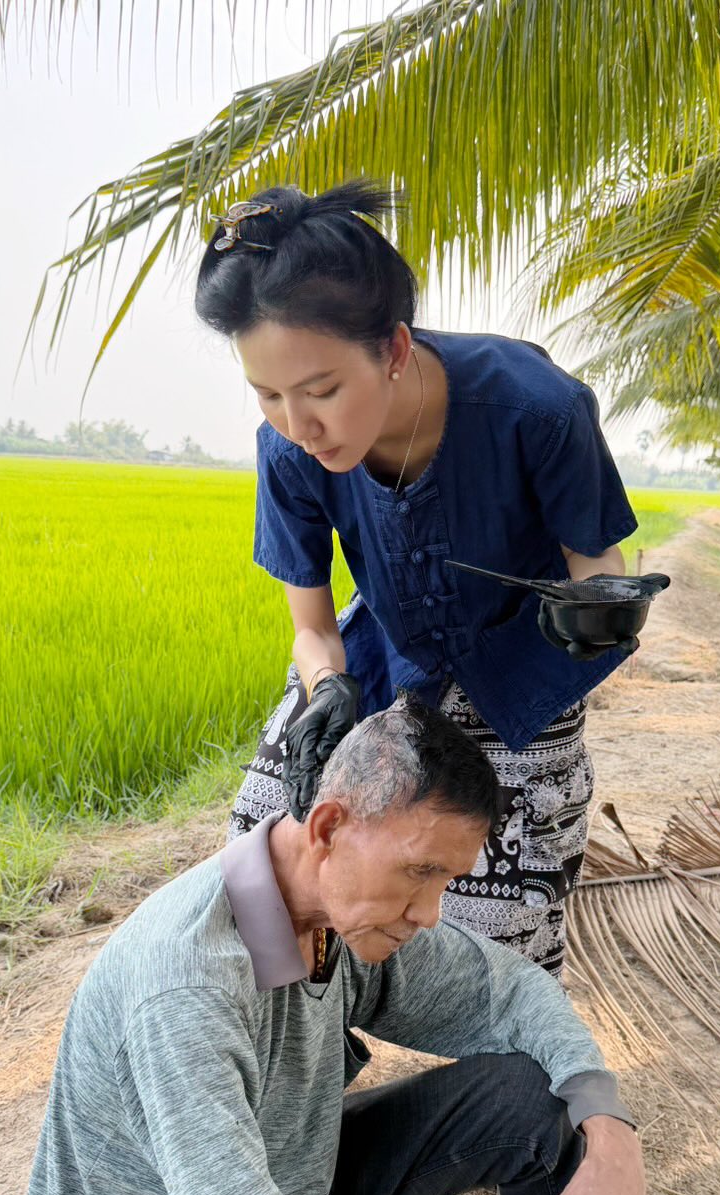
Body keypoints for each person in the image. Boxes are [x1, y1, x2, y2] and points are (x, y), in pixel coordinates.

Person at [23, 699, 694, 1195]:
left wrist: (611, 1131)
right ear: (330, 826)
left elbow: (503, 992)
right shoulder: (187, 992)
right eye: (420, 871)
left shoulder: (333, 912)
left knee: (536, 1099)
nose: (431, 910)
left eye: (446, 878)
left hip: (287, 1193)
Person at [194, 180, 641, 977]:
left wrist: (595, 622)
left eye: (323, 390)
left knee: (508, 910)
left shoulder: (537, 409)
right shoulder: (289, 451)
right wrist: (327, 691)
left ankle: (516, 1080)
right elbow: (313, 628)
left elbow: (600, 567)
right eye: (268, 395)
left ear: (395, 350)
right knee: (268, 855)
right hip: (381, 653)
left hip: (526, 666)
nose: (300, 426)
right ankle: (302, 1050)